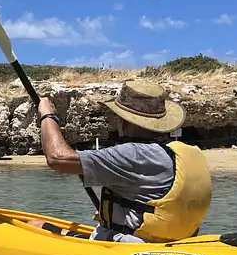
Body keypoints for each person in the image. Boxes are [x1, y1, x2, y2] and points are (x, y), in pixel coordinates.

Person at [35, 79, 212, 243]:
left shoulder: (134, 155)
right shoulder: (184, 151)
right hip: (176, 242)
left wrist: (48, 116)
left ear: (125, 121)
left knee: (35, 225)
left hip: (135, 248)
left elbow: (57, 158)